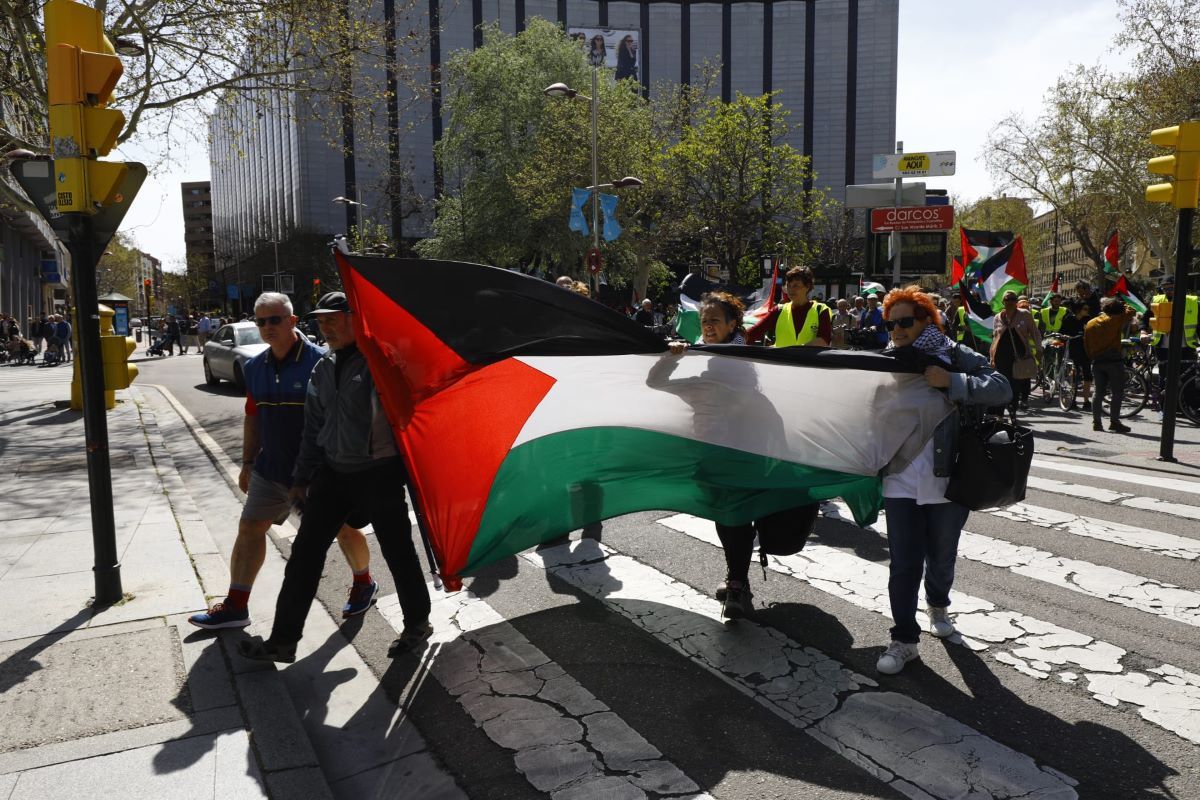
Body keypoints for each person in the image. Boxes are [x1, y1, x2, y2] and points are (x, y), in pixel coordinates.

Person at [238, 292, 432, 663]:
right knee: (305, 555)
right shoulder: (322, 368)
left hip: (379, 473)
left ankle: (417, 623)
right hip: (332, 474)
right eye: (320, 321)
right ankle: (282, 640)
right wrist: (300, 478)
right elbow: (313, 429)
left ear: (354, 319)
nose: (324, 327)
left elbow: (412, 414)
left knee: (398, 552)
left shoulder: (380, 363)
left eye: (333, 319)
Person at [188, 292, 377, 630]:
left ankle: (364, 582)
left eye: (274, 320)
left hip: (319, 473)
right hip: (271, 469)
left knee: (345, 531)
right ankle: (236, 605)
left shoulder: (322, 363)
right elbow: (252, 417)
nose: (267, 327)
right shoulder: (254, 366)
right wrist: (247, 462)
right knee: (249, 528)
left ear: (292, 321)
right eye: (261, 321)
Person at [876, 286, 1011, 675]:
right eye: (891, 323)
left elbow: (1001, 387)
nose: (897, 329)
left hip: (949, 477)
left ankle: (938, 603)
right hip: (899, 478)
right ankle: (903, 639)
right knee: (903, 564)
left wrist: (952, 381)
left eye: (905, 321)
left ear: (926, 321)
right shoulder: (883, 360)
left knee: (941, 556)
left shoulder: (954, 354)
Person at [667, 292, 817, 619]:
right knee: (727, 518)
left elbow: (758, 402)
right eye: (704, 321)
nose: (707, 326)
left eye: (715, 321)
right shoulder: (700, 357)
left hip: (747, 454)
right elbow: (656, 383)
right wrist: (671, 358)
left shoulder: (746, 359)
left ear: (732, 324)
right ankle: (738, 577)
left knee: (736, 516)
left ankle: (736, 582)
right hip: (711, 456)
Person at [745, 265, 831, 347]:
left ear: (807, 287)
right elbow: (752, 334)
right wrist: (735, 342)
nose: (791, 290)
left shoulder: (821, 310)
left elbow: (824, 340)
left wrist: (795, 352)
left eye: (796, 285)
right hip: (781, 362)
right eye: (788, 286)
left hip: (808, 362)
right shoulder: (778, 310)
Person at [1085, 296, 1135, 434]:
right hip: (1113, 361)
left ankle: (1096, 422)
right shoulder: (1116, 320)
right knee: (1117, 393)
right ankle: (1114, 422)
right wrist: (1122, 303)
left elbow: (1087, 344)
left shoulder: (1090, 323)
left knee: (1098, 392)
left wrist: (1092, 357)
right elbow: (1131, 310)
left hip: (1096, 361)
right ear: (1118, 311)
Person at [990, 290, 1042, 417]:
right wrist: (992, 357)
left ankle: (1013, 412)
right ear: (1003, 301)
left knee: (1014, 387)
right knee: (1001, 385)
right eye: (1008, 299)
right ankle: (1000, 414)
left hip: (1019, 358)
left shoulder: (1025, 314)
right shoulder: (998, 317)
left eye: (1013, 299)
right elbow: (995, 338)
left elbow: (1035, 333)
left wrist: (1039, 349)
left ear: (1017, 301)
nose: (1011, 302)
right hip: (1001, 358)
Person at [1140, 274, 1198, 364]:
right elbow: (1145, 319)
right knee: (1164, 377)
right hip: (1163, 349)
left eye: (1171, 289)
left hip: (1186, 349)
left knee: (1188, 377)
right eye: (1165, 289)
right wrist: (1143, 332)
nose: (1168, 292)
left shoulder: (1193, 302)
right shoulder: (1157, 301)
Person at [1063, 280, 1101, 409]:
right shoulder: (1069, 318)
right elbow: (1062, 332)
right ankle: (1072, 400)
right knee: (1074, 374)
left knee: (1087, 374)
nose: (1080, 295)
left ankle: (1086, 401)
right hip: (1074, 349)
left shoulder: (1092, 311)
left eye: (1082, 292)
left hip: (1086, 349)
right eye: (1085, 309)